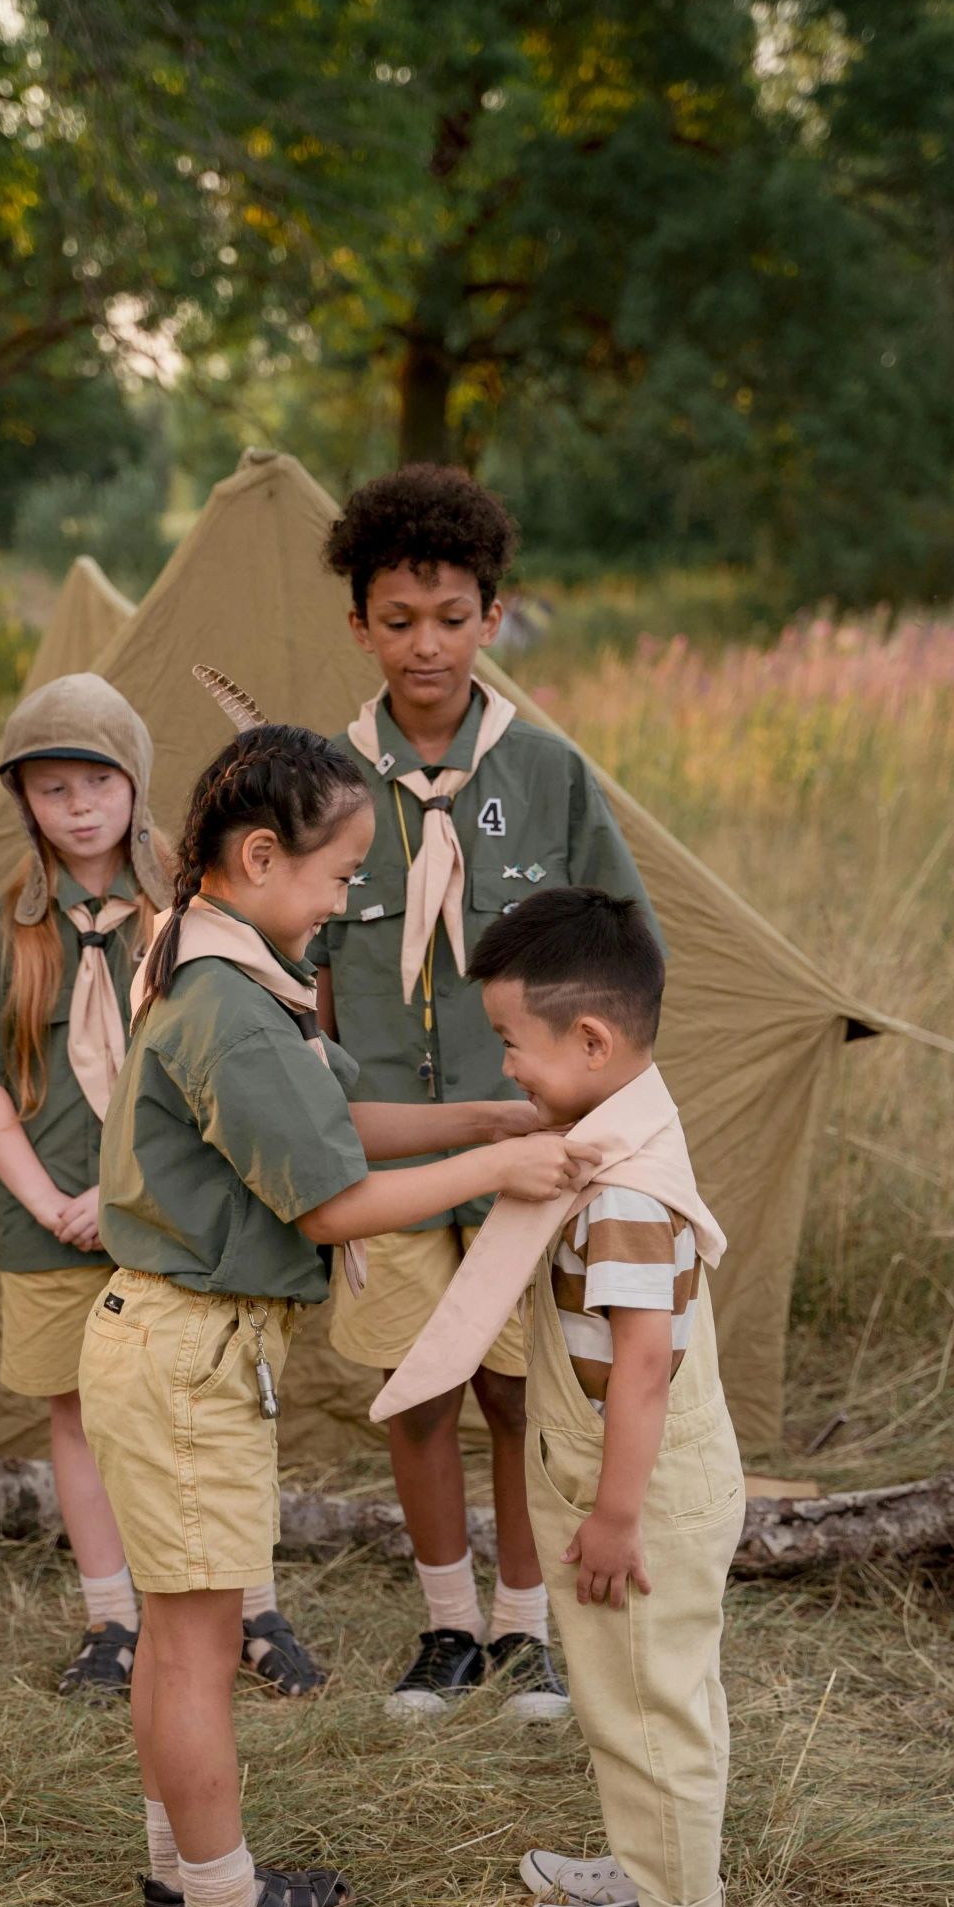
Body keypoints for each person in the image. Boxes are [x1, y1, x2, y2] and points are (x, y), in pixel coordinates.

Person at [79, 711, 588, 1907]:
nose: (351, 896)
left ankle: (187, 1873)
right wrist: (499, 1159)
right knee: (196, 1647)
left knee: (178, 1634)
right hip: (187, 1357)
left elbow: (322, 1117)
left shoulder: (225, 965)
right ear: (258, 859)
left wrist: (471, 1107)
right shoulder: (227, 1003)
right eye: (337, 874)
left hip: (181, 1348)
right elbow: (326, 1201)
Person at [312, 464, 659, 1719]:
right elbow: (295, 968)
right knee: (417, 1386)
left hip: (531, 1143)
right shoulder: (322, 785)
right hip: (391, 1149)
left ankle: (524, 1629)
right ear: (359, 625)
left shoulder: (550, 773)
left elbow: (625, 952)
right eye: (397, 620)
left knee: (521, 1385)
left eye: (450, 617)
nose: (425, 644)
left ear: (490, 619)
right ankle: (444, 1625)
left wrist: (594, 1111)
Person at [0, 675, 333, 1699]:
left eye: (96, 781)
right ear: (25, 801)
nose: (77, 806)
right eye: (51, 787)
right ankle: (110, 1616)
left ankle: (250, 1602)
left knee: (225, 1401)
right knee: (78, 1415)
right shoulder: (5, 933)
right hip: (57, 1221)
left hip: (184, 1218)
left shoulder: (196, 915)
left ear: (135, 783)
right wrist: (40, 1197)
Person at [379, 888, 742, 1907]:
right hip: (620, 1474)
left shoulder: (625, 1193)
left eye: (512, 1046)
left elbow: (640, 1366)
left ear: (590, 1039)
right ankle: (648, 1869)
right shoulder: (620, 1119)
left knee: (649, 1700)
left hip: (639, 1489)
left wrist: (615, 1514)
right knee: (627, 1687)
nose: (510, 1073)